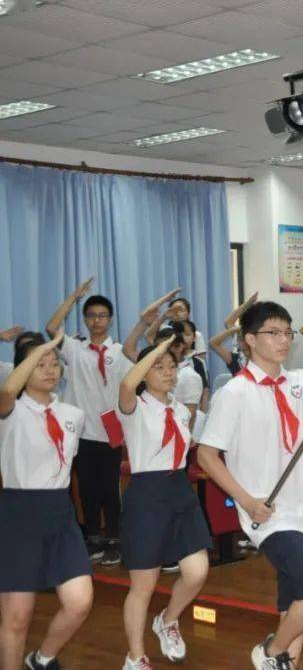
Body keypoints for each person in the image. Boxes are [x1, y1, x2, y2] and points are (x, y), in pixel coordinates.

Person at [197, 301, 303, 670]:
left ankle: (283, 663)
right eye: (273, 333)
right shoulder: (234, 393)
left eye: (288, 333)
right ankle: (272, 651)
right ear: (250, 339)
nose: (284, 340)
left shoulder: (298, 381)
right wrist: (247, 502)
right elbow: (207, 456)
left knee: (295, 603)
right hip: (270, 516)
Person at [115, 339, 211, 670]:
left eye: (171, 366)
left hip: (180, 491)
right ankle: (136, 656)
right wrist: (154, 351)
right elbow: (126, 384)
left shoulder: (181, 411)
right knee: (143, 586)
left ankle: (167, 620)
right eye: (159, 366)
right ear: (144, 372)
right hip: (147, 495)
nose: (168, 372)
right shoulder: (133, 406)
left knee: (197, 572)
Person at [0, 333, 94, 670]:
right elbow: (7, 392)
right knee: (17, 618)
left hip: (59, 514)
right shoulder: (9, 410)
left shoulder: (73, 414)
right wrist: (41, 348)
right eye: (39, 364)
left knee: (80, 601)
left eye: (54, 363)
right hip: (18, 515)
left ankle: (41, 658)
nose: (50, 369)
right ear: (22, 370)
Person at [45, 279, 141, 565]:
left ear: (110, 319)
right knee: (86, 489)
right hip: (82, 429)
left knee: (110, 490)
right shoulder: (74, 348)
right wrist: (73, 297)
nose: (96, 321)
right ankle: (92, 540)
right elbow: (51, 327)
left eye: (102, 316)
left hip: (111, 428)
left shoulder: (120, 352)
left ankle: (114, 540)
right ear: (85, 319)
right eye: (91, 315)